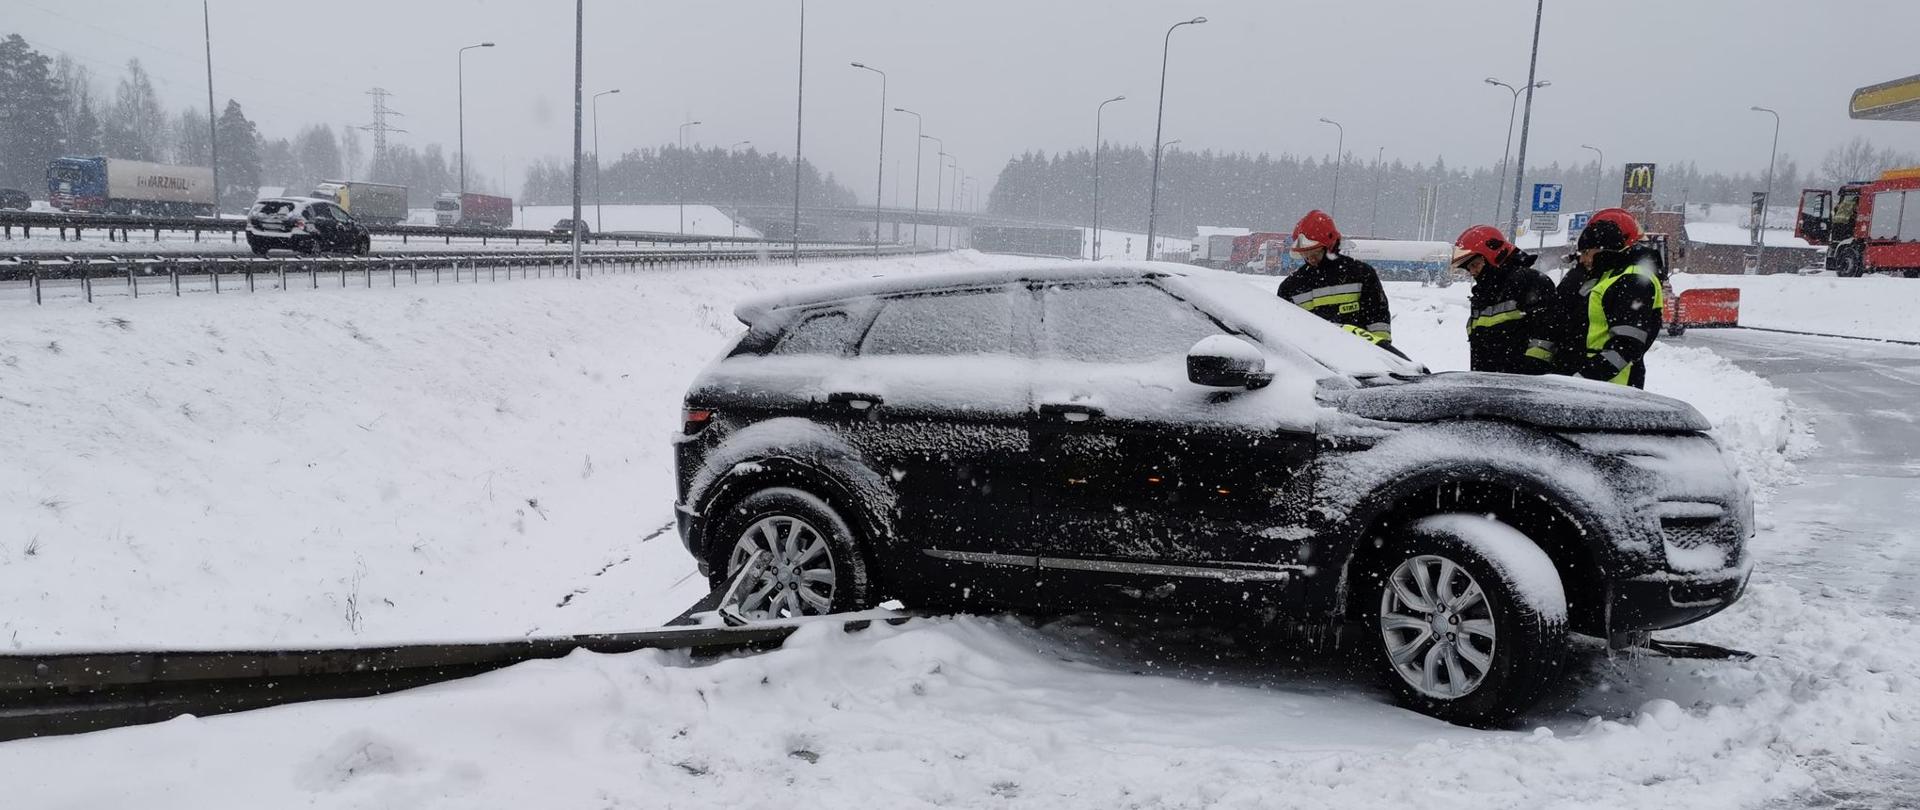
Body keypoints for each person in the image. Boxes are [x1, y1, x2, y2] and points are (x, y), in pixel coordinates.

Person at [1552, 207, 1665, 388]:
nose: (1583, 260)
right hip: (1592, 384)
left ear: (1602, 250)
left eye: (1586, 252)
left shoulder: (1633, 280)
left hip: (1609, 388)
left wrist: (1583, 378)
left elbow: (1627, 345)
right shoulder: (1609, 275)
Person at [1277, 210, 1395, 350]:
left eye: (1315, 253)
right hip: (1313, 364)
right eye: (1306, 255)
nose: (1311, 259)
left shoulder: (1361, 275)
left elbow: (1378, 321)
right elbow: (1283, 333)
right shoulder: (1290, 287)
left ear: (1330, 246)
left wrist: (1382, 353)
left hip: (1361, 361)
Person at [1451, 225, 1556, 374]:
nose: (1473, 272)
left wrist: (1529, 374)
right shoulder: (1482, 296)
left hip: (1521, 386)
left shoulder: (1530, 282)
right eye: (1469, 268)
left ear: (1493, 256)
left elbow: (1545, 334)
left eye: (1475, 265)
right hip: (1489, 387)